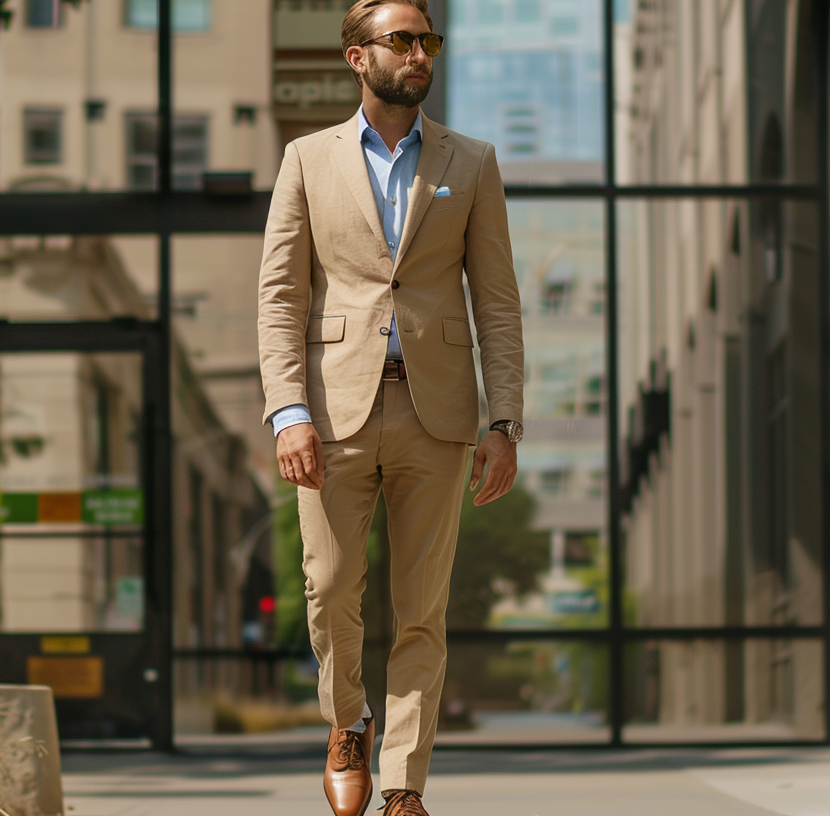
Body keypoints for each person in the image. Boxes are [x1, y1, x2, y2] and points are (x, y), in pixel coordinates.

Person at [257, 1, 524, 814]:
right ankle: (348, 723)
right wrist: (286, 410)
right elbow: (278, 296)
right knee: (331, 586)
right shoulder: (307, 158)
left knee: (422, 608)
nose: (418, 55)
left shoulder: (470, 162)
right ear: (355, 56)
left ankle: (404, 784)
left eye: (427, 42)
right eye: (401, 41)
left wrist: (504, 421)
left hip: (437, 414)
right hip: (333, 411)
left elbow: (499, 304)